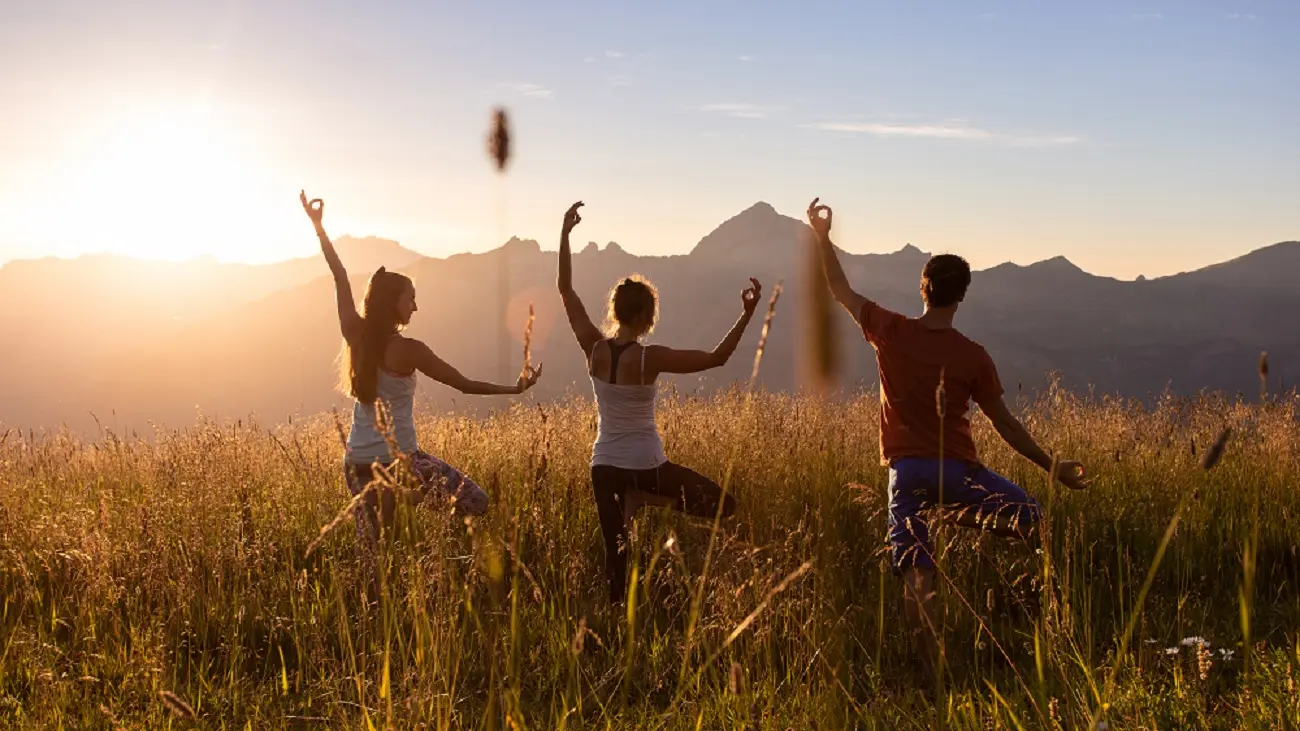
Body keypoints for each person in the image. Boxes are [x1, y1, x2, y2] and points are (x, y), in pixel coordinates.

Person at [804, 197, 1090, 662]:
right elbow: (1007, 426)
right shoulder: (973, 356)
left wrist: (822, 238)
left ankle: (928, 664)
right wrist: (1052, 466)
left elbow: (839, 288)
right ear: (961, 296)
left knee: (918, 572)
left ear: (924, 289)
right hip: (959, 472)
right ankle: (1038, 614)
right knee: (1033, 519)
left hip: (907, 475)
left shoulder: (890, 331)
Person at [300, 190, 542, 555]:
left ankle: (394, 513)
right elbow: (462, 384)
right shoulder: (410, 350)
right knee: (476, 501)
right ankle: (406, 495)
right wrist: (515, 388)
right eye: (410, 297)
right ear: (392, 302)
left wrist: (319, 228)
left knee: (375, 555)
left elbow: (340, 276)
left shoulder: (355, 333)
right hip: (400, 461)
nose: (415, 305)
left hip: (355, 465)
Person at [555, 201, 762, 603]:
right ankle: (647, 496)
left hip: (603, 468)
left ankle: (619, 625)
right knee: (723, 505)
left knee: (617, 562)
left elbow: (565, 290)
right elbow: (717, 357)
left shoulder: (593, 349)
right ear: (648, 316)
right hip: (646, 467)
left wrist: (564, 234)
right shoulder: (650, 358)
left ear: (615, 311)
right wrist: (748, 314)